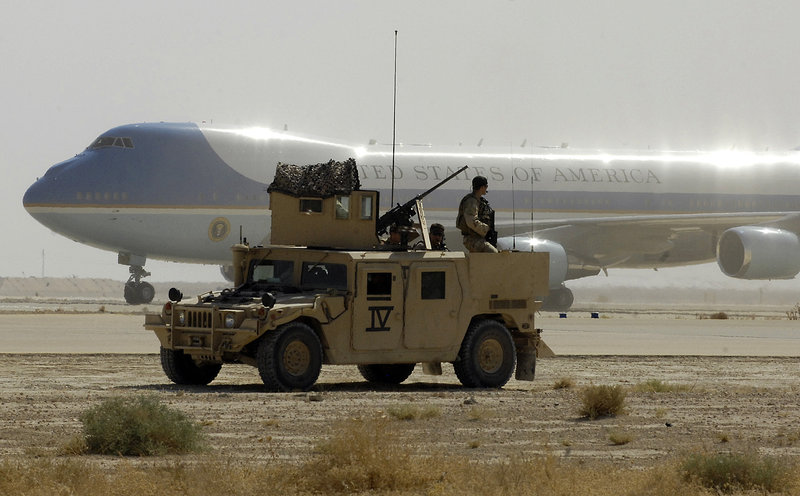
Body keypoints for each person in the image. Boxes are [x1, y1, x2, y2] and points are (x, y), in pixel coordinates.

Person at [456, 175, 498, 253]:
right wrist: (486, 229)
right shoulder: (471, 201)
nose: (486, 188)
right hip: (472, 239)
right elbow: (471, 221)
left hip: (478, 238)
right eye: (486, 186)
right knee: (494, 255)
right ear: (482, 187)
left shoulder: (479, 201)